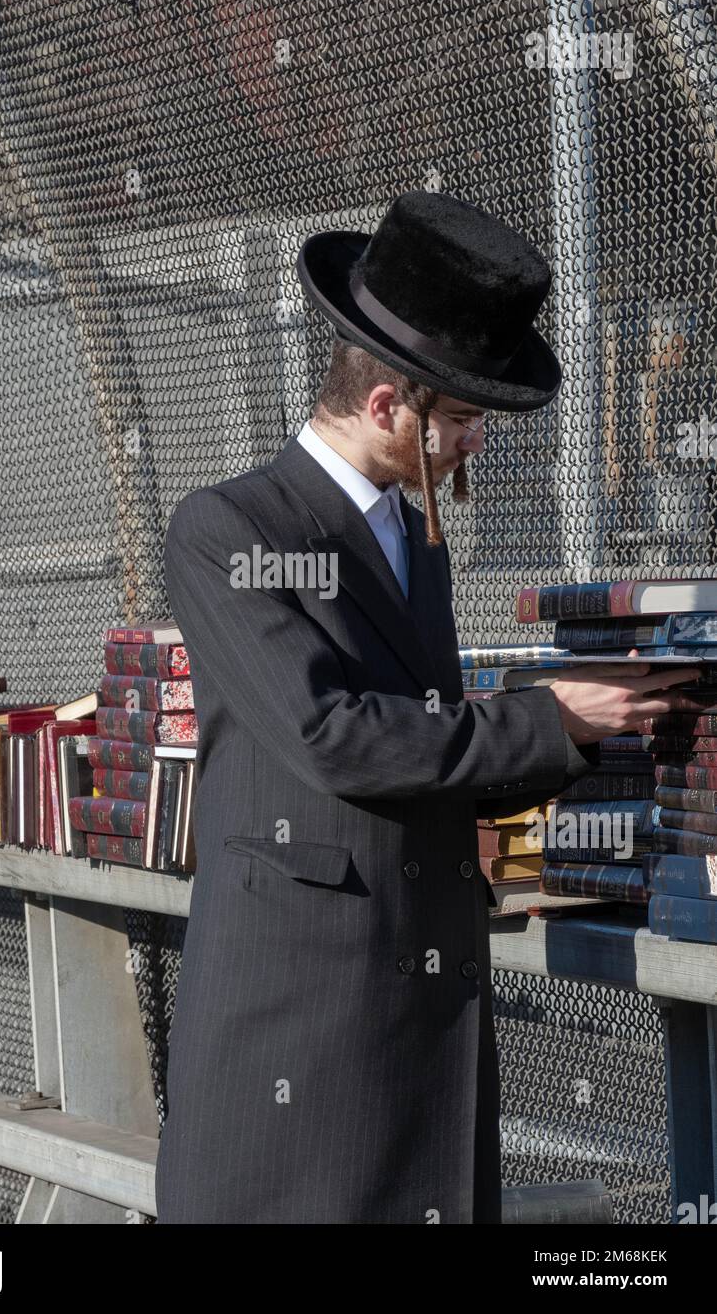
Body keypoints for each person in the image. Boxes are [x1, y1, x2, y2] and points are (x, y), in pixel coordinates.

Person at [155, 190, 705, 1224]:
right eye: (456, 422)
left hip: (420, 1005)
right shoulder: (227, 527)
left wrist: (584, 724)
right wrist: (554, 719)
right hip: (305, 1030)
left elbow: (426, 740)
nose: (470, 449)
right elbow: (338, 738)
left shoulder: (412, 541)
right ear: (383, 408)